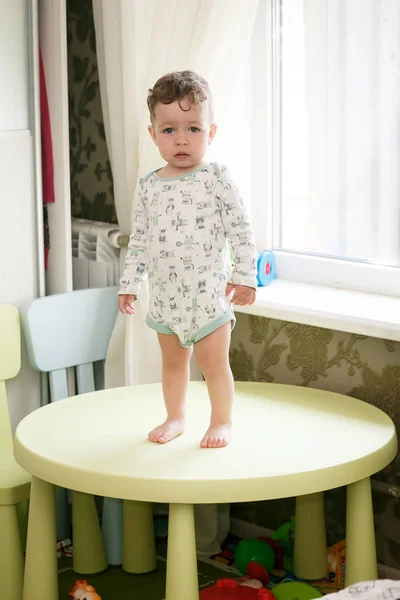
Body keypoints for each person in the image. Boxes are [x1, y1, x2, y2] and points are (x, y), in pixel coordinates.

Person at [118, 70, 257, 448]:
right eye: (169, 130)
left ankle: (221, 421)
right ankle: (175, 417)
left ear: (211, 133)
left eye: (193, 128)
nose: (181, 139)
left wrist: (245, 275)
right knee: (173, 364)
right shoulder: (149, 185)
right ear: (154, 135)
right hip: (166, 300)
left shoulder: (217, 178)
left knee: (214, 365)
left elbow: (240, 230)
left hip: (209, 297)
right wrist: (129, 284)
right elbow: (140, 240)